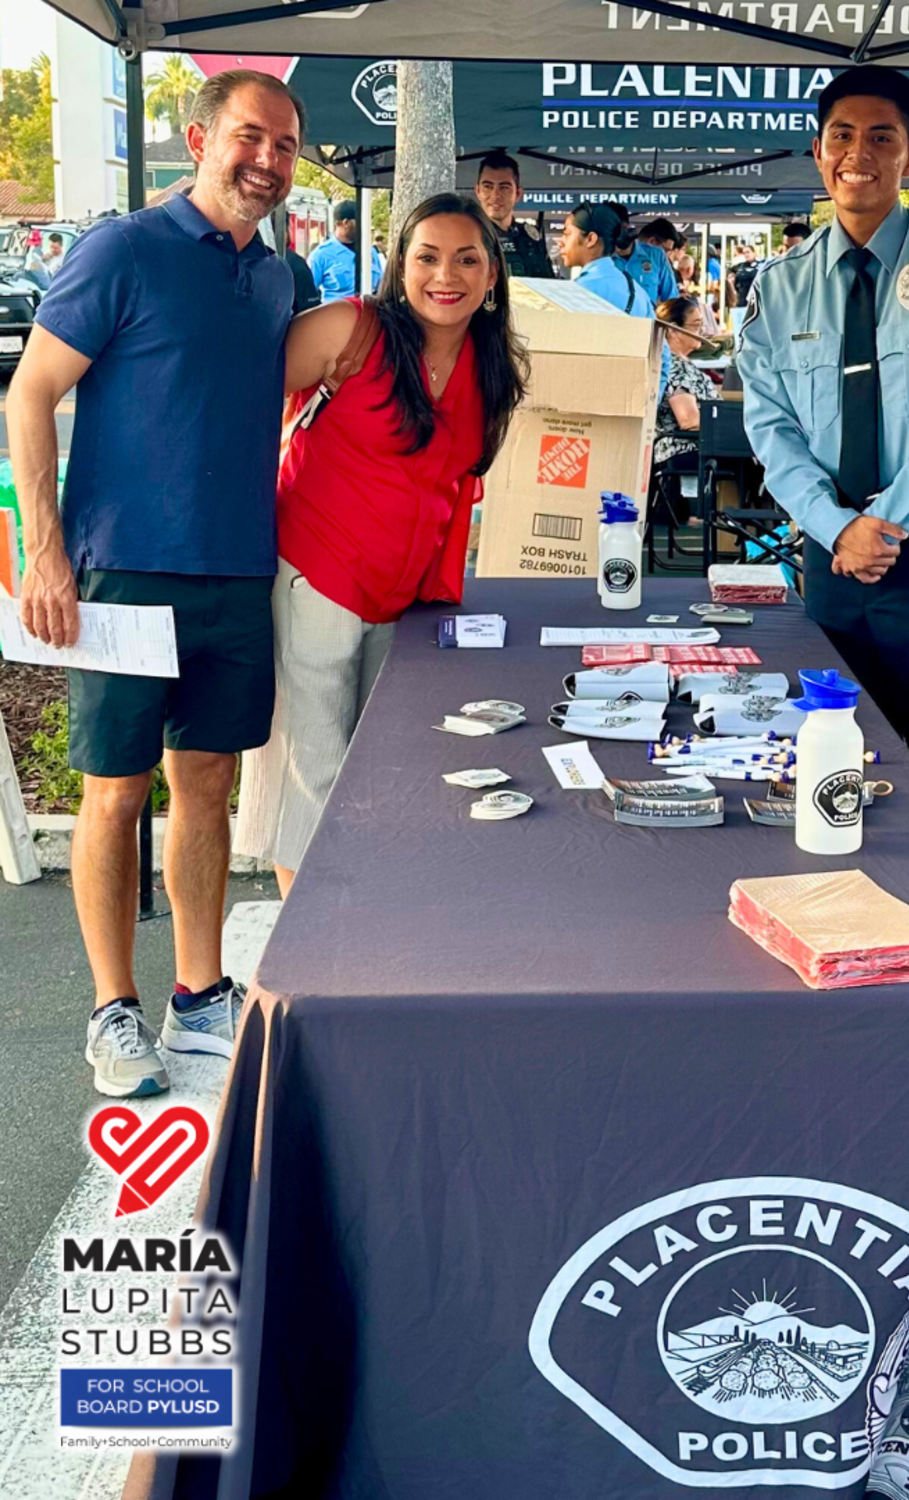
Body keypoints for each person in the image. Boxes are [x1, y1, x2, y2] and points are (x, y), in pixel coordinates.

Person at [8, 69, 303, 1098]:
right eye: (250, 138)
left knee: (208, 789)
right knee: (114, 791)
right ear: (198, 137)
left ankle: (198, 992)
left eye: (283, 146)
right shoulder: (122, 249)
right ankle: (110, 1010)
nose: (267, 161)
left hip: (234, 570)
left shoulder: (278, 278)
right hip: (121, 573)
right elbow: (30, 394)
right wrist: (45, 553)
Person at [739, 64, 909, 846]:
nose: (860, 153)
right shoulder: (776, 286)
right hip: (831, 561)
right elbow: (771, 426)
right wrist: (836, 527)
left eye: (881, 137)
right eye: (843, 137)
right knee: (835, 767)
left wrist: (881, 526)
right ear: (819, 153)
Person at [235, 193, 528, 896]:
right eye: (426, 256)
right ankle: (305, 955)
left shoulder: (492, 366)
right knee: (313, 776)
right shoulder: (351, 328)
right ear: (400, 266)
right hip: (317, 578)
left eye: (466, 258)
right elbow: (234, 400)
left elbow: (456, 486)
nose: (444, 275)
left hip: (400, 603)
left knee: (383, 765)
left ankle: (357, 926)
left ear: (491, 276)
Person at [559, 202, 652, 320]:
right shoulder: (639, 293)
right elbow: (656, 337)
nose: (561, 242)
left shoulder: (576, 292)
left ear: (591, 239)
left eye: (567, 234)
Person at [654, 296, 715, 465]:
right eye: (696, 325)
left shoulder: (677, 364)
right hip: (687, 451)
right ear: (673, 330)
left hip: (700, 449)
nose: (701, 331)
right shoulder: (676, 367)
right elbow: (688, 419)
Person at [474, 150, 554, 280]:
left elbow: (548, 283)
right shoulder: (467, 234)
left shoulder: (530, 236)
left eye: (504, 187)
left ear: (518, 194)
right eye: (488, 186)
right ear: (477, 191)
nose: (495, 195)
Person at [308, 199, 385, 302]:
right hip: (337, 315)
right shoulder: (321, 255)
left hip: (370, 314)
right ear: (346, 223)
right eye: (360, 221)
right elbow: (308, 293)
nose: (364, 226)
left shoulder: (370, 251)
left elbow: (382, 285)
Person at [604, 200, 677, 306]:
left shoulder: (656, 256)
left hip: (647, 321)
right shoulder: (600, 258)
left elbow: (671, 301)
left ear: (626, 228)